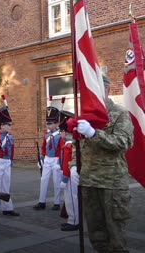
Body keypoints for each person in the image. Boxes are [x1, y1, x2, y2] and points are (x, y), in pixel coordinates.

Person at [73, 75, 134, 252]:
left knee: (116, 237)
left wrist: (94, 134)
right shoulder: (87, 116)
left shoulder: (119, 114)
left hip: (112, 184)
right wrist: (73, 165)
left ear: (106, 89)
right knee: (96, 234)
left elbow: (122, 143)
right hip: (89, 182)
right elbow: (78, 145)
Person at [0, 105, 20, 218]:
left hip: (6, 162)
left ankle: (8, 208)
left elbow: (12, 150)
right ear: (2, 126)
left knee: (6, 185)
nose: (11, 127)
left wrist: (11, 161)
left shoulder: (10, 137)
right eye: (8, 125)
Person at [33, 106, 63, 210]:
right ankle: (42, 201)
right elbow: (44, 147)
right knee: (43, 180)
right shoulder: (46, 135)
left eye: (50, 123)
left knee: (56, 181)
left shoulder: (59, 136)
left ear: (57, 124)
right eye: (47, 123)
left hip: (56, 160)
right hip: (47, 159)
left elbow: (60, 149)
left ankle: (57, 202)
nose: (48, 125)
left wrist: (60, 161)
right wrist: (42, 157)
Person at [57, 110, 79, 231]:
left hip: (69, 175)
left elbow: (67, 164)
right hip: (68, 174)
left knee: (71, 198)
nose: (60, 134)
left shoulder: (69, 144)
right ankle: (72, 219)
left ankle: (74, 221)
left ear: (65, 132)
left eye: (61, 131)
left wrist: (64, 178)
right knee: (69, 199)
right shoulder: (69, 143)